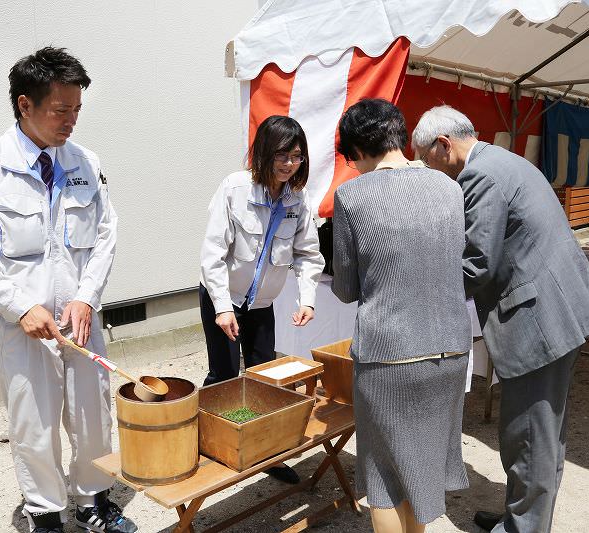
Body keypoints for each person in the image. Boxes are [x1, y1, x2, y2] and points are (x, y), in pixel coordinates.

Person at [0, 47, 135, 533]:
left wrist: (86, 296)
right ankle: (44, 511)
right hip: (23, 328)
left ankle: (93, 500)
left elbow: (105, 235)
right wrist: (18, 306)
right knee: (33, 423)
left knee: (93, 416)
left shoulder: (87, 164)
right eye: (61, 110)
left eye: (77, 109)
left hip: (80, 320)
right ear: (24, 105)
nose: (71, 120)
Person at [411, 105, 589, 533]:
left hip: (538, 319)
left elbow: (476, 262)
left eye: (428, 161)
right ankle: (525, 517)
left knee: (529, 437)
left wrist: (419, 292)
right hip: (557, 309)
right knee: (544, 433)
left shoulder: (480, 176)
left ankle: (524, 528)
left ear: (444, 145)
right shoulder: (504, 160)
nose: (433, 172)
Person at [331, 98, 471, 533]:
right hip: (450, 351)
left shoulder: (350, 196)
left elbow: (346, 288)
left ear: (356, 150)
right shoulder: (450, 187)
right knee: (421, 468)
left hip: (388, 356)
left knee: (384, 478)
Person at [199, 115, 325, 483]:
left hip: (262, 306)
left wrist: (308, 299)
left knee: (264, 377)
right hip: (223, 297)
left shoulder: (297, 200)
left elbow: (307, 254)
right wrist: (223, 307)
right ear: (264, 153)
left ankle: (266, 452)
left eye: (297, 156)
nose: (288, 164)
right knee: (224, 375)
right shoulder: (234, 188)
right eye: (281, 155)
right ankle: (204, 439)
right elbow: (212, 253)